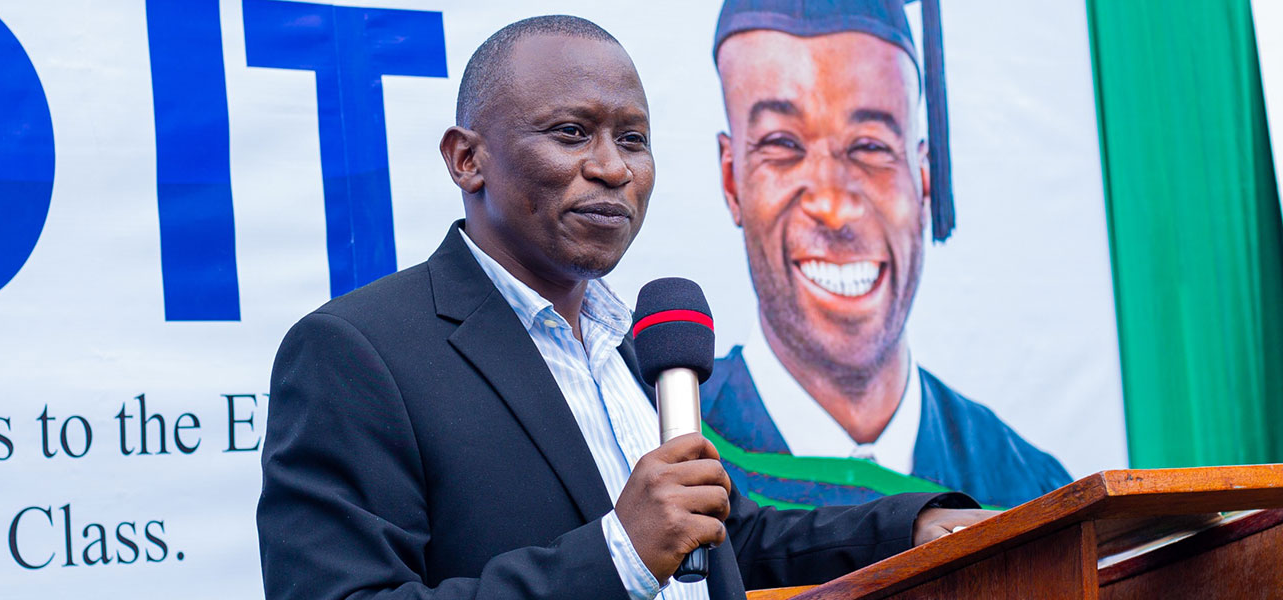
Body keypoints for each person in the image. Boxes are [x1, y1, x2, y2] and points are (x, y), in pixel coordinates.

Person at [256, 15, 992, 600]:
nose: (612, 168)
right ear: (466, 159)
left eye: (633, 139)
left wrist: (917, 526)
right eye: (572, 133)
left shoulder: (638, 349)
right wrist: (619, 555)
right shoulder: (356, 353)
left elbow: (729, 547)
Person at [701, 0, 1072, 510]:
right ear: (731, 181)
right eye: (783, 144)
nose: (833, 207)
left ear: (924, 178)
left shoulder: (1030, 491)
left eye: (871, 147)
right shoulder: (660, 456)